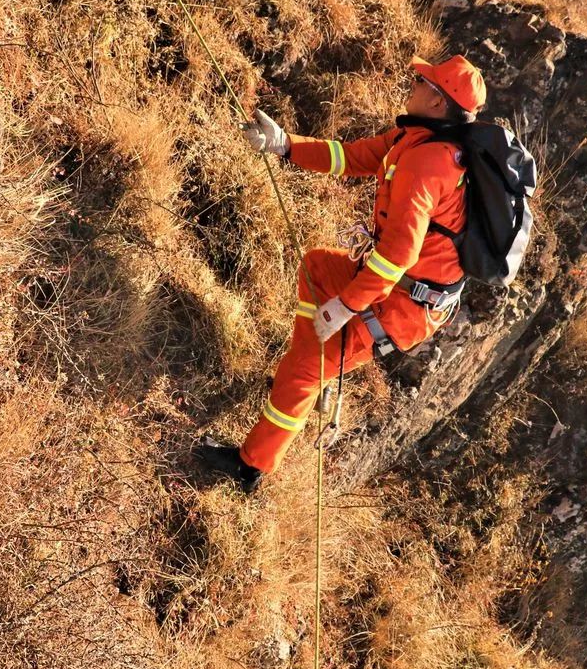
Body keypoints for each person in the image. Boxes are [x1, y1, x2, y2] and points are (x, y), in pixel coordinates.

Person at [195, 54, 486, 491]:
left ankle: (249, 467)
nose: (414, 82)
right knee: (318, 266)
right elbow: (350, 157)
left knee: (305, 369)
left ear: (438, 101)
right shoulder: (416, 141)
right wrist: (285, 145)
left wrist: (344, 308)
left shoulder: (428, 163)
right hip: (403, 290)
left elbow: (397, 257)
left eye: (423, 80)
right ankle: (308, 367)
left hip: (402, 305)